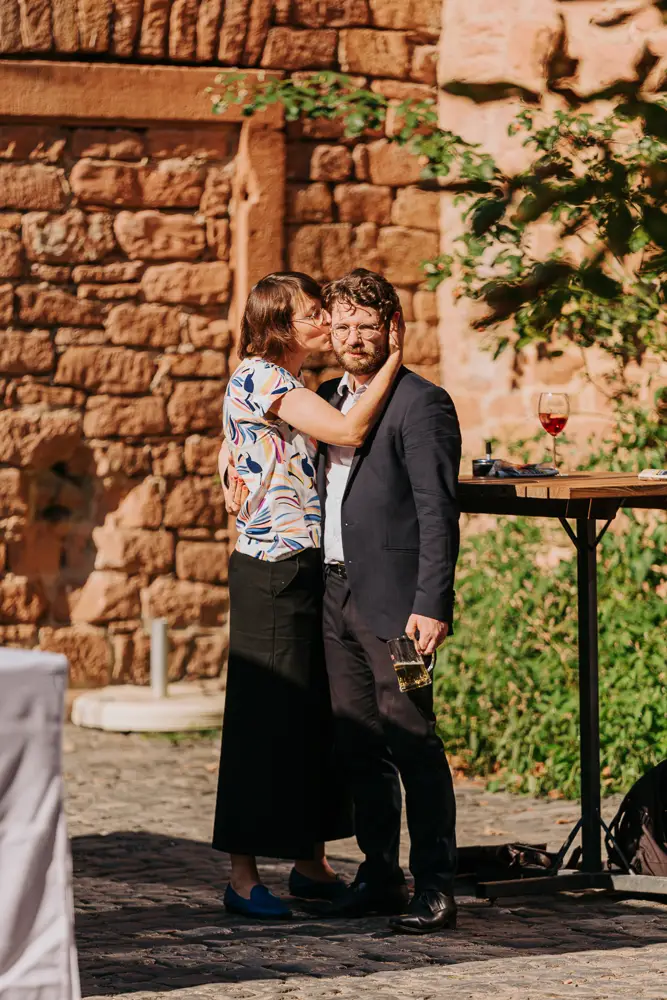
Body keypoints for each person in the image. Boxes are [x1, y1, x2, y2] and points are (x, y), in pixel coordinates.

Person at [213, 271, 404, 920]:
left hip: (303, 566)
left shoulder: (285, 383)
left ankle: (309, 863)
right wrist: (393, 365)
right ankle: (242, 878)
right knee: (263, 718)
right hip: (270, 571)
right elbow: (345, 431)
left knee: (310, 718)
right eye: (312, 313)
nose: (326, 321)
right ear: (278, 326)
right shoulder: (263, 377)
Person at [317, 269, 462, 934]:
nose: (351, 337)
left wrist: (432, 602)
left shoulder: (420, 403)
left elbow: (437, 510)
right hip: (335, 597)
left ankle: (434, 883)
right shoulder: (323, 399)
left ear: (391, 329)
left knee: (411, 739)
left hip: (400, 610)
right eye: (341, 325)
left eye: (364, 326)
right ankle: (378, 874)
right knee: (357, 744)